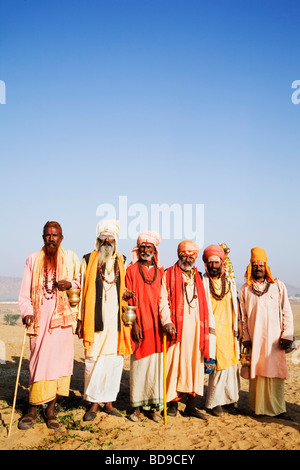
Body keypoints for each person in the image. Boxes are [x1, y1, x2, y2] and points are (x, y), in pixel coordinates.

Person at [18, 221, 81, 432]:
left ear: (61, 238)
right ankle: (32, 410)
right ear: (43, 237)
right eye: (47, 235)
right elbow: (24, 293)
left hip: (62, 322)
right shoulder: (32, 259)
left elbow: (82, 280)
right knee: (37, 363)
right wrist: (27, 312)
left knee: (59, 364)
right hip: (39, 320)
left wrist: (70, 284)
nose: (51, 238)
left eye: (55, 235)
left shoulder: (71, 258)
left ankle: (51, 411)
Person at [77, 219, 132, 421]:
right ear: (98, 239)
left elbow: (124, 287)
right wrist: (80, 319)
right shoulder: (87, 259)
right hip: (94, 319)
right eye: (103, 237)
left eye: (110, 237)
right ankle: (93, 404)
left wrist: (127, 294)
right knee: (92, 360)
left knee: (114, 362)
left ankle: (109, 403)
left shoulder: (122, 260)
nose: (106, 240)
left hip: (116, 320)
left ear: (115, 240)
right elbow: (82, 289)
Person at [239, 247, 294, 418]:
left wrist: (287, 335)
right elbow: (243, 317)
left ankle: (278, 409)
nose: (258, 268)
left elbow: (287, 312)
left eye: (261, 265)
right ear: (250, 267)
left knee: (275, 374)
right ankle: (259, 408)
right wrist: (246, 338)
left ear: (266, 267)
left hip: (275, 342)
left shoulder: (278, 286)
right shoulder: (245, 289)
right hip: (255, 341)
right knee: (259, 373)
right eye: (255, 265)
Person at [159, 240, 210, 419]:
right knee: (174, 366)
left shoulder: (199, 277)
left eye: (191, 257)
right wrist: (167, 321)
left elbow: (206, 304)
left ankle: (191, 406)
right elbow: (162, 299)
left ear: (195, 257)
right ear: (179, 255)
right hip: (176, 328)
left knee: (194, 366)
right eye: (184, 256)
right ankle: (173, 403)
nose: (187, 259)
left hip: (196, 330)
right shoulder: (168, 274)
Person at [125, 231, 165, 422]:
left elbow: (164, 300)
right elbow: (128, 301)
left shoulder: (161, 272)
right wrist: (134, 325)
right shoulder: (131, 271)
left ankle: (153, 409)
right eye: (142, 247)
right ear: (138, 250)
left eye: (149, 247)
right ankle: (137, 409)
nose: (145, 250)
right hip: (140, 327)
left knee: (155, 369)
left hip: (157, 329)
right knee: (139, 368)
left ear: (154, 250)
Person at [202, 244, 240, 417]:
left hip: (229, 330)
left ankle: (230, 399)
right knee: (217, 367)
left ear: (222, 263)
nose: (214, 266)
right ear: (206, 264)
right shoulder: (202, 282)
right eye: (210, 262)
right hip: (213, 330)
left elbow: (235, 305)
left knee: (231, 366)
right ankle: (214, 403)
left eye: (217, 262)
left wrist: (238, 326)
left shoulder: (229, 281)